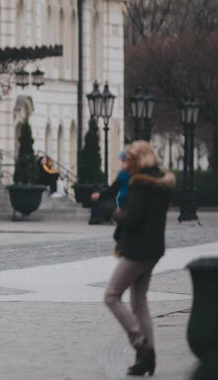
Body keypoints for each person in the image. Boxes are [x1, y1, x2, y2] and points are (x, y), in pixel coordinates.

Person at [103, 141, 173, 377]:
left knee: (111, 296)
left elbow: (131, 218)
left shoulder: (141, 185)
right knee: (139, 301)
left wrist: (113, 213)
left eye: (130, 160)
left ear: (139, 160)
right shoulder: (159, 183)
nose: (126, 165)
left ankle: (141, 344)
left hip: (137, 250)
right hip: (153, 248)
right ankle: (146, 358)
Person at [89, 150, 130, 225]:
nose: (122, 164)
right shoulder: (121, 173)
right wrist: (100, 194)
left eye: (124, 161)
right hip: (122, 201)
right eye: (122, 161)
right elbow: (113, 188)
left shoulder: (137, 173)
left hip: (132, 202)